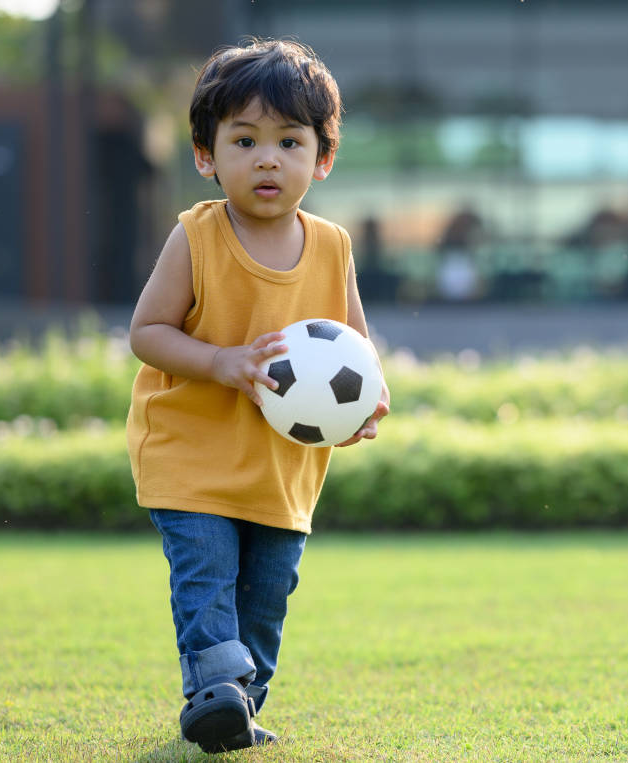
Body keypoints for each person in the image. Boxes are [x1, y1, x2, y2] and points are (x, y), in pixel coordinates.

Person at [126, 38, 390, 753]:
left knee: (267, 599)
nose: (266, 158)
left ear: (322, 158)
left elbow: (356, 349)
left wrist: (368, 401)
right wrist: (222, 361)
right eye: (244, 140)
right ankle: (214, 691)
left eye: (288, 141)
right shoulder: (197, 237)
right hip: (193, 457)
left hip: (282, 469)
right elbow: (146, 331)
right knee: (207, 578)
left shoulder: (334, 247)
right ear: (206, 155)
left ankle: (241, 700)